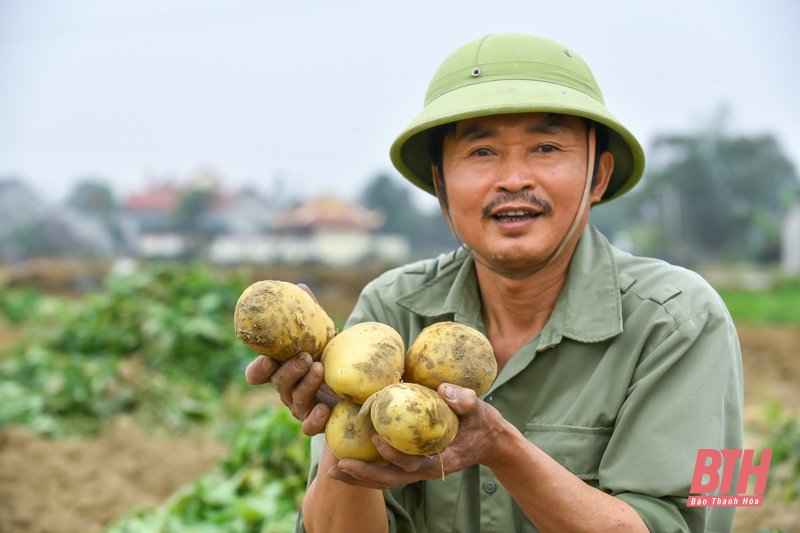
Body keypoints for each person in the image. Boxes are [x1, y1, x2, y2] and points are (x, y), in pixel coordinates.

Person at [245, 33, 743, 532]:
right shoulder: (389, 309)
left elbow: (702, 520)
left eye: (546, 147)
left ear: (598, 177)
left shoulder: (686, 319)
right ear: (441, 184)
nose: (513, 179)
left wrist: (501, 449)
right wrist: (344, 431)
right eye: (482, 152)